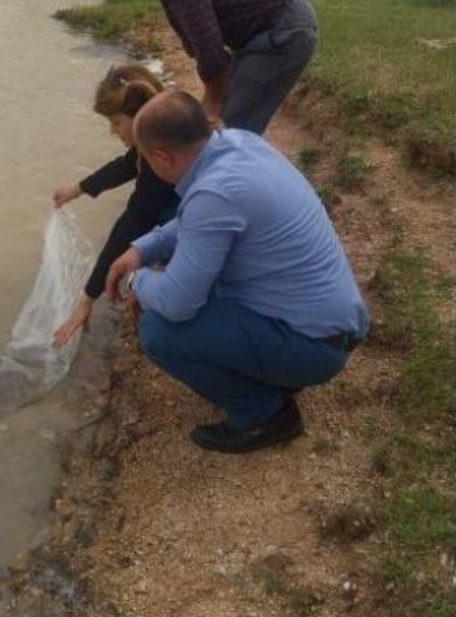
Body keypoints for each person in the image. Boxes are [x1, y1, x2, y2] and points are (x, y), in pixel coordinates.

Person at [106, 90, 369, 454]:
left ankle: (265, 415)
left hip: (313, 349)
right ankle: (268, 376)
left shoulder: (215, 194)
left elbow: (178, 303)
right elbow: (197, 223)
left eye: (146, 158)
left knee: (160, 329)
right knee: (192, 284)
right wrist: (143, 248)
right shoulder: (239, 143)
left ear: (163, 156)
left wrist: (138, 280)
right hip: (332, 328)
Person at [90, 0, 318, 135]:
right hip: (274, 28)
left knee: (232, 129)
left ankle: (243, 173)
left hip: (281, 31)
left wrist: (212, 97)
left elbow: (204, 36)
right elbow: (188, 25)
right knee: (231, 124)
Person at [52, 64, 177, 348]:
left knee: (141, 253)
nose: (112, 131)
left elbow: (130, 225)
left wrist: (87, 298)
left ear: (138, 114)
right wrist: (78, 189)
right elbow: (125, 166)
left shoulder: (158, 164)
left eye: (116, 122)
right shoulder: (167, 128)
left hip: (192, 224)